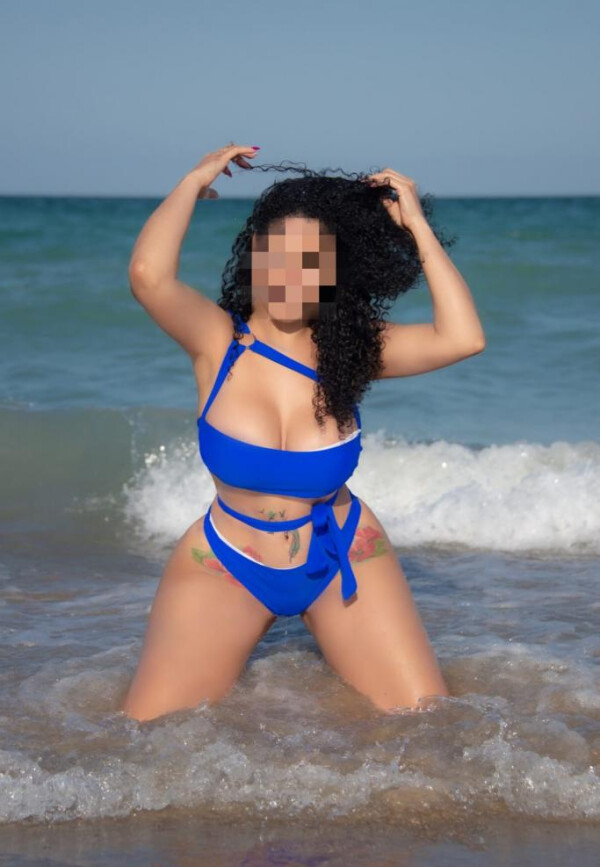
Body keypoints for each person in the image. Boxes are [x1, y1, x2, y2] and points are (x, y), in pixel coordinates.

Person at [120, 143, 485, 723]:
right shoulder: (216, 342)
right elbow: (148, 276)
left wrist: (416, 225)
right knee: (145, 737)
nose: (291, 277)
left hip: (343, 553)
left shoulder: (353, 354)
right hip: (227, 562)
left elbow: (463, 337)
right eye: (277, 256)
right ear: (253, 259)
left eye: (312, 261)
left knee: (427, 725)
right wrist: (192, 183)